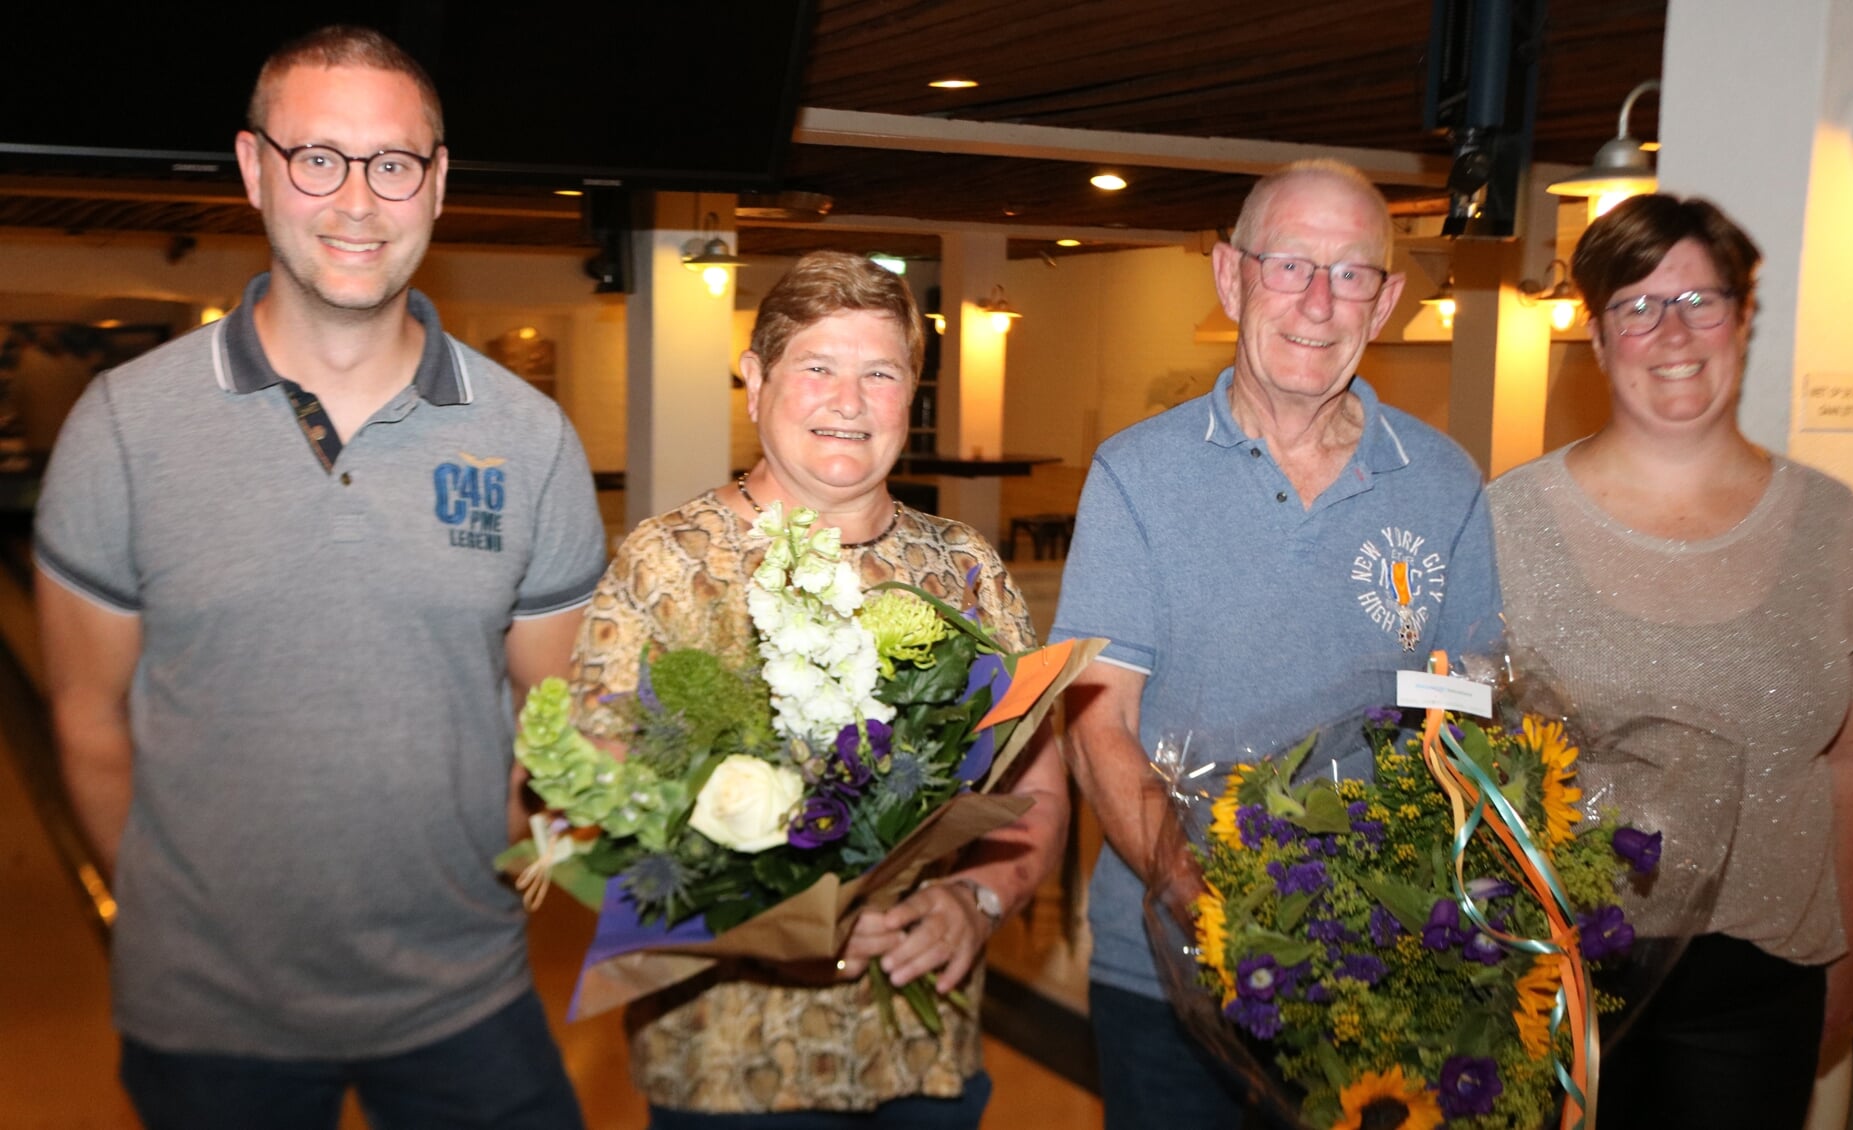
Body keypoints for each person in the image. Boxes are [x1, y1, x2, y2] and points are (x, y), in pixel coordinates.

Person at [33, 26, 603, 1129]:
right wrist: (183, 922)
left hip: (466, 992)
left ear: (436, 184)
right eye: (318, 158)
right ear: (254, 168)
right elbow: (87, 715)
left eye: (393, 163)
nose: (358, 200)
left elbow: (560, 715)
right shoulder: (126, 426)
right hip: (209, 1015)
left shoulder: (530, 439)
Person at [1047, 160, 1502, 1129]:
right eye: (1289, 263)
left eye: (1350, 273)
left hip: (1380, 970)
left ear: (1385, 302)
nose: (1317, 300)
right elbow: (1098, 722)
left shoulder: (1445, 481)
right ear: (1230, 276)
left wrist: (1433, 902)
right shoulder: (1137, 475)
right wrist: (1208, 904)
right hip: (1167, 970)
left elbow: (1466, 710)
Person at [569, 250, 1070, 1128]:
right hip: (731, 1065)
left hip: (925, 1057)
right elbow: (597, 796)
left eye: (879, 373)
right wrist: (784, 919)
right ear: (756, 380)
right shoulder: (671, 564)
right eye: (818, 368)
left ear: (910, 395)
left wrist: (976, 899)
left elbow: (1035, 784)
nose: (849, 402)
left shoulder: (963, 569)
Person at [1487, 194, 1853, 1128]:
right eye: (1636, 305)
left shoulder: (1831, 528)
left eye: (1701, 300)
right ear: (1597, 339)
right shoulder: (1509, 522)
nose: (1672, 330)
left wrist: (1852, 950)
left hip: (1764, 981)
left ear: (1745, 318)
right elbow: (1461, 756)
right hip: (1556, 978)